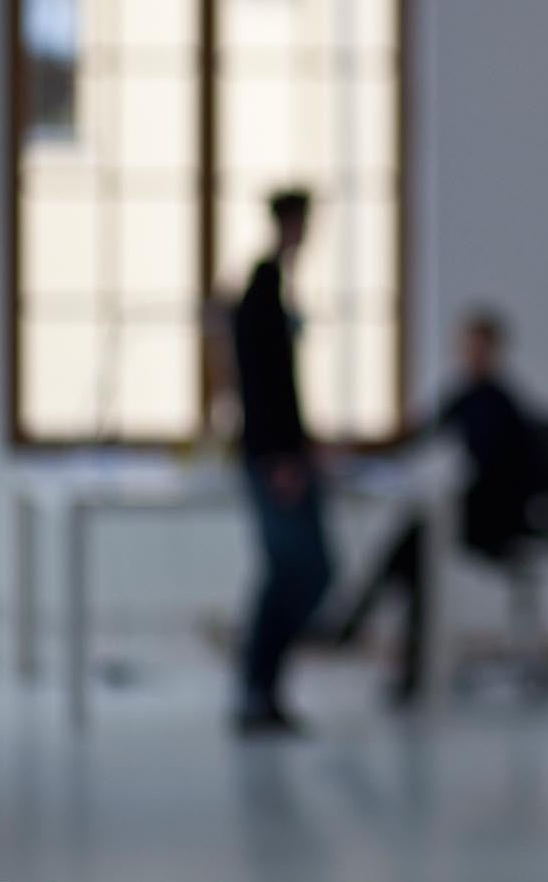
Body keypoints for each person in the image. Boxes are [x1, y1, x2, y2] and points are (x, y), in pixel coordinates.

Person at [332, 306, 536, 703]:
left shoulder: (500, 403)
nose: (471, 356)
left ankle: (361, 623)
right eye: (466, 348)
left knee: (413, 550)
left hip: (498, 517)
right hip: (470, 509)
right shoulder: (464, 396)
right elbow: (419, 435)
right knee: (413, 558)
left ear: (494, 352)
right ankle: (397, 658)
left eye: (479, 348)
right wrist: (359, 451)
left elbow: (502, 475)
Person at [233, 187, 333, 736]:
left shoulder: (275, 286)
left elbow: (284, 387)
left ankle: (262, 690)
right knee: (301, 572)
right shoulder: (262, 290)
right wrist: (282, 456)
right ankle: (257, 689)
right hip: (275, 458)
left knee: (298, 573)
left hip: (284, 452)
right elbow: (262, 385)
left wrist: (304, 443)